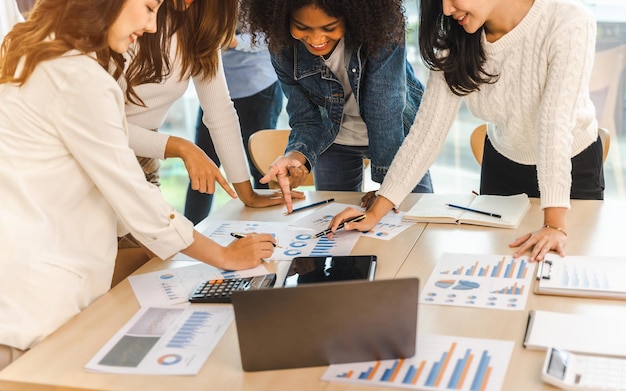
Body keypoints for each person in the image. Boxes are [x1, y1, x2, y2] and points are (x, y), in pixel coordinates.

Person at [0, 0, 276, 370]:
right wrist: (225, 256)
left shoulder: (42, 54)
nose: (150, 24)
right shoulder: (80, 77)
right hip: (31, 305)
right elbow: (134, 197)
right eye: (148, 7)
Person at [330, 0, 604, 263]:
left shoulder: (568, 20)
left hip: (571, 167)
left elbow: (553, 125)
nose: (447, 10)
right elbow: (427, 132)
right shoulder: (457, 39)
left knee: (563, 269)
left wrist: (554, 225)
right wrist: (375, 212)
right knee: (500, 273)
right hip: (503, 167)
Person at [239, 0, 434, 213]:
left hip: (396, 134)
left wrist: (388, 188)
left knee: (415, 215)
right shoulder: (283, 48)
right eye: (302, 27)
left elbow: (385, 107)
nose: (315, 39)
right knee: (334, 227)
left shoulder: (384, 26)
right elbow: (305, 118)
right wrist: (295, 157)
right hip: (334, 141)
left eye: (329, 28)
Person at [123, 0, 302, 225]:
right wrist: (181, 147)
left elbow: (220, 112)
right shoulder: (128, 24)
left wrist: (247, 194)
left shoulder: (201, 28)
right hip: (95, 154)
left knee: (159, 250)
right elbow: (98, 127)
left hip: (143, 158)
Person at [184, 29, 284, 225]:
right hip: (213, 86)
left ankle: (268, 236)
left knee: (261, 172)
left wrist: (232, 40)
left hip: (257, 88)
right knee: (202, 170)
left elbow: (275, 34)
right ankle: (189, 234)